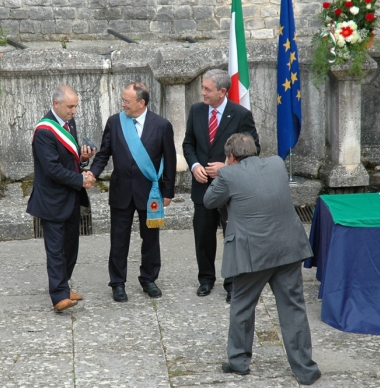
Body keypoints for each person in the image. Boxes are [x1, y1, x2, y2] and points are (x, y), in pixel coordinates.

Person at [203, 133, 320, 385]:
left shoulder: (228, 174)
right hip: (288, 248)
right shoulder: (277, 163)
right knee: (293, 308)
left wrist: (225, 170)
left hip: (252, 253)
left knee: (243, 306)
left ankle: (239, 362)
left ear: (231, 156)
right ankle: (305, 369)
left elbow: (209, 200)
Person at [90, 82, 177, 302]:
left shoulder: (162, 125)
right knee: (118, 239)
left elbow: (170, 160)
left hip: (150, 193)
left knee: (150, 238)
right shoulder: (115, 122)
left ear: (141, 103)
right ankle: (117, 283)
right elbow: (104, 153)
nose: (123, 104)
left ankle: (148, 278)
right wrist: (92, 174)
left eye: (127, 101)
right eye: (122, 100)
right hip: (121, 191)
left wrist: (168, 192)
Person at [182, 69, 260, 303]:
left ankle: (233, 283)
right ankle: (206, 279)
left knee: (232, 238)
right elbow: (188, 144)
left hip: (231, 191)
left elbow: (253, 150)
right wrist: (195, 165)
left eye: (207, 89)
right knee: (203, 236)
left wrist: (226, 169)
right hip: (202, 187)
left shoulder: (240, 114)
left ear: (222, 91)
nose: (202, 93)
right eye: (203, 88)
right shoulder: (196, 111)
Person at [27, 86, 96, 313]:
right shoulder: (45, 131)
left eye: (75, 106)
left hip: (71, 196)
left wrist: (82, 157)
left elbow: (68, 157)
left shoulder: (69, 123)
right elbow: (52, 169)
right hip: (52, 199)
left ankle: (64, 286)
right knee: (55, 249)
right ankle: (58, 296)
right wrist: (80, 180)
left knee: (71, 246)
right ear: (56, 104)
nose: (74, 111)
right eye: (70, 106)